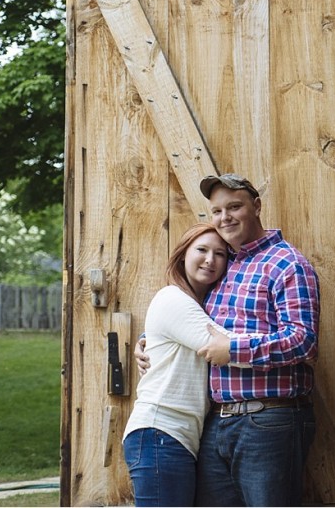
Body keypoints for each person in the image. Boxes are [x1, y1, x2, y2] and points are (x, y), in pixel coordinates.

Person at [136, 173, 320, 507]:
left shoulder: (287, 264)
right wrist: (150, 338)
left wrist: (233, 349)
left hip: (268, 419)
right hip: (218, 422)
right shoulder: (224, 263)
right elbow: (195, 320)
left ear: (257, 207)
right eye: (217, 211)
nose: (225, 217)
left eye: (234, 206)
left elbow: (302, 339)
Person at [122, 223, 232, 506]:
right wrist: (284, 340)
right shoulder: (173, 299)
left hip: (176, 437)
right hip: (160, 433)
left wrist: (147, 339)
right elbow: (222, 344)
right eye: (202, 250)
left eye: (220, 254)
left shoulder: (198, 305)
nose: (210, 259)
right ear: (182, 254)